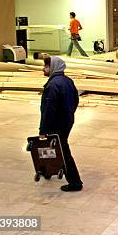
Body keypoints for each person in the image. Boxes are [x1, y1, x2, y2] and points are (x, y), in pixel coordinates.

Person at [39, 56, 83, 192]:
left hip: (56, 124)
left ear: (52, 67)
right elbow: (76, 100)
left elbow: (48, 110)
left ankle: (75, 182)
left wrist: (43, 129)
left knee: (63, 151)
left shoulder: (52, 85)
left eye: (45, 66)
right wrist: (69, 114)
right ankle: (49, 170)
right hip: (67, 121)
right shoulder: (68, 81)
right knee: (57, 147)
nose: (43, 69)